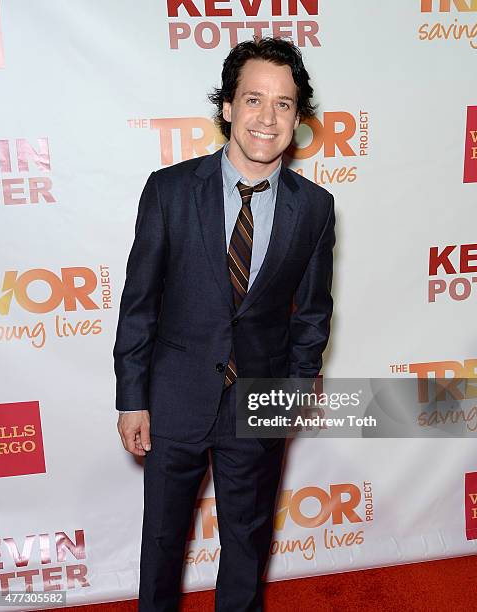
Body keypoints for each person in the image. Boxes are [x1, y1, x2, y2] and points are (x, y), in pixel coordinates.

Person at [113, 36, 336, 612]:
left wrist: (299, 382)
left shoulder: (314, 207)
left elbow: (312, 311)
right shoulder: (168, 191)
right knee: (161, 542)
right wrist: (132, 398)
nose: (268, 117)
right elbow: (139, 303)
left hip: (260, 398)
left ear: (297, 117)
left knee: (247, 540)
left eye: (284, 104)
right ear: (228, 108)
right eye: (254, 99)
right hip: (175, 395)